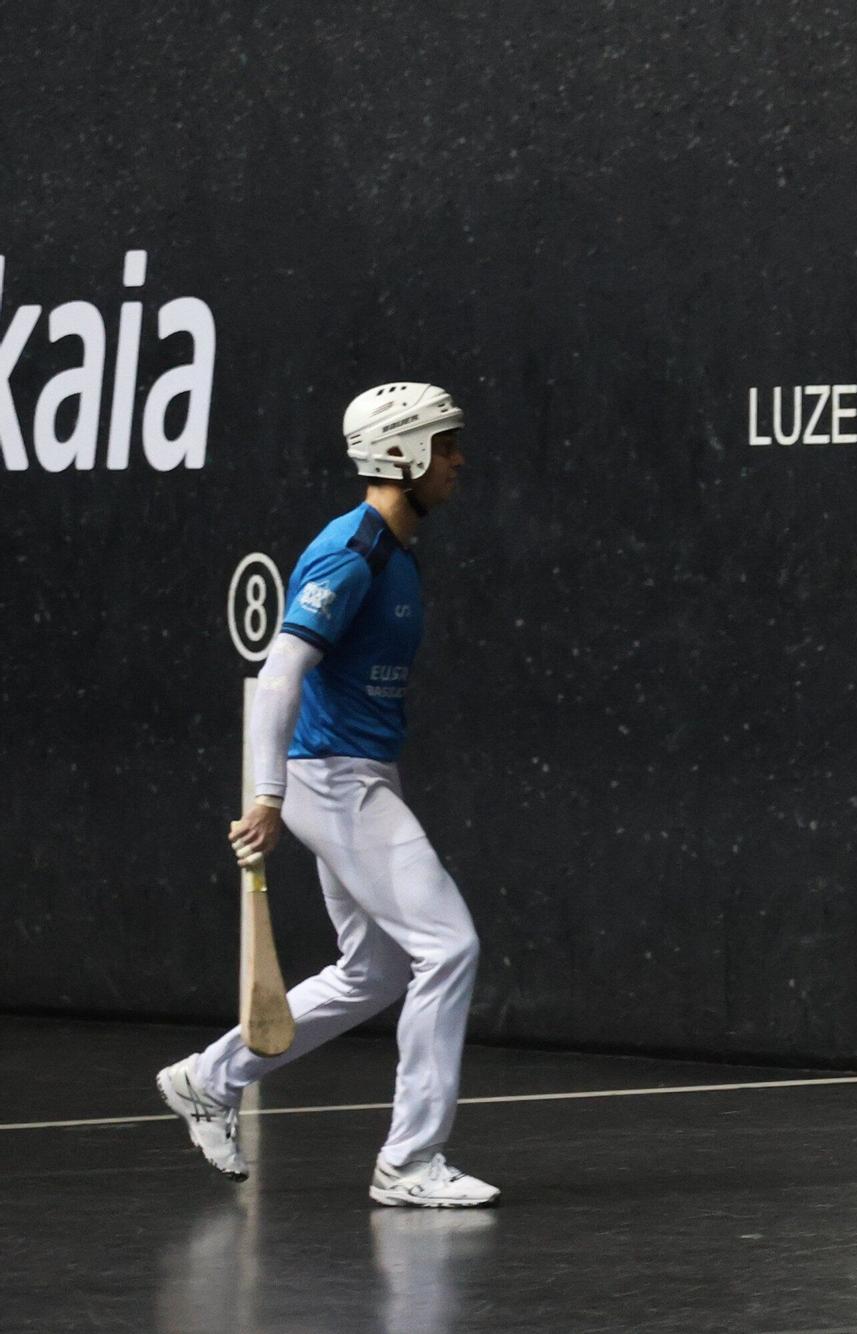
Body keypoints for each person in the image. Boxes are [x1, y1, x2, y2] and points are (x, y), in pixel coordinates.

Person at [155, 382, 498, 1206]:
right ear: (404, 456)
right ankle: (410, 1162)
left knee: (374, 969)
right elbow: (277, 678)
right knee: (448, 946)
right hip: (331, 778)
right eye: (444, 445)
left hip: (359, 773)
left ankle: (209, 1077)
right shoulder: (353, 555)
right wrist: (268, 795)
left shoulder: (397, 547)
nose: (458, 459)